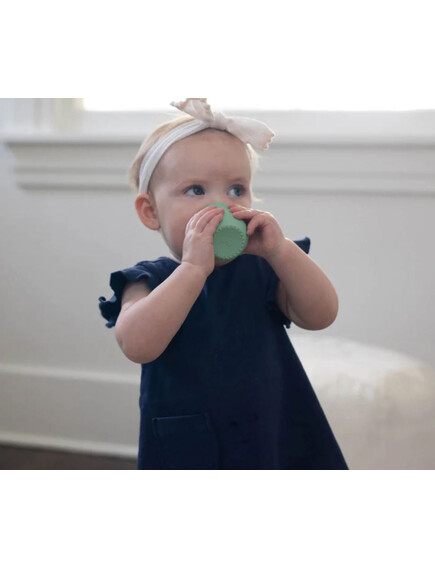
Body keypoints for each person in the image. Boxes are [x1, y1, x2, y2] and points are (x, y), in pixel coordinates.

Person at [98, 98, 348, 470]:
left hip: (272, 429)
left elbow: (321, 315)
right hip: (194, 440)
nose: (221, 206)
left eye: (236, 190)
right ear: (151, 211)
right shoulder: (149, 279)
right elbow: (137, 345)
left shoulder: (263, 268)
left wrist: (281, 251)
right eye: (196, 190)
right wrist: (192, 270)